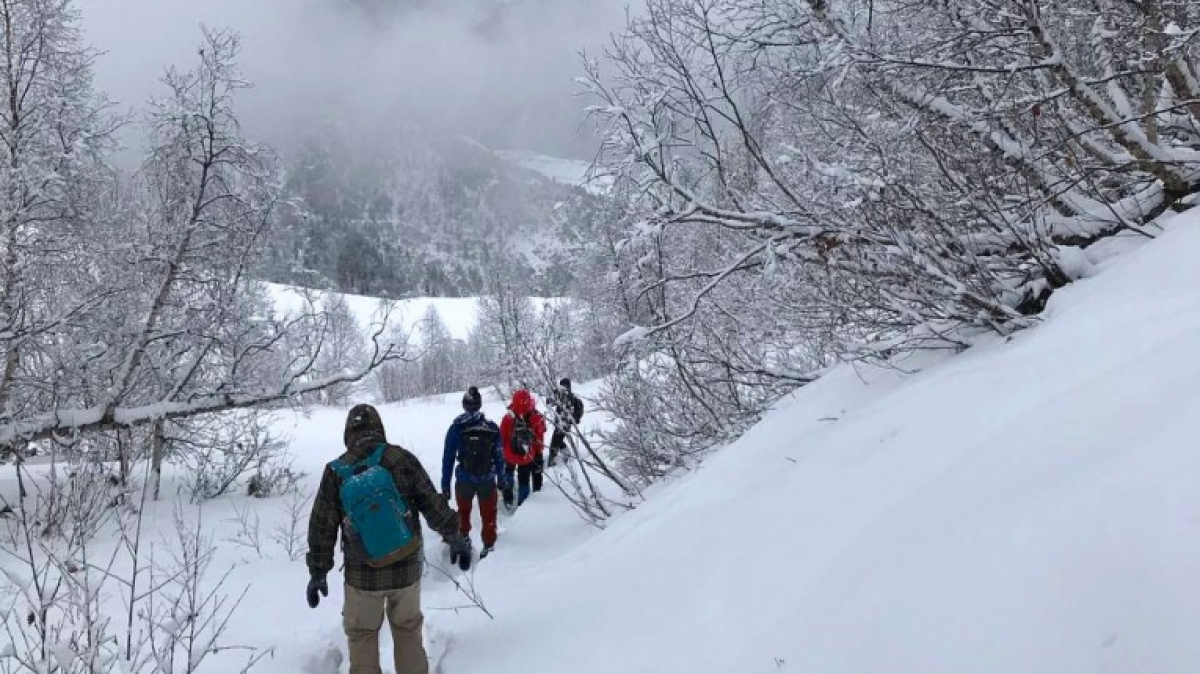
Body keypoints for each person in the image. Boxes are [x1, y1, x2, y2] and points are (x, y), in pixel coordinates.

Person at [307, 404, 471, 674]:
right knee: (408, 630)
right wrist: (455, 537)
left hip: (362, 574)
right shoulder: (401, 459)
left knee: (362, 634)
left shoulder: (336, 471)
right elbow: (432, 505)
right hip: (406, 567)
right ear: (379, 429)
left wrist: (318, 571)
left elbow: (322, 526)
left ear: (348, 433)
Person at [441, 386, 506, 556]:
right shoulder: (491, 427)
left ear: (464, 405)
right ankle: (489, 546)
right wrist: (502, 478)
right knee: (488, 515)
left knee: (463, 513)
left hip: (464, 480)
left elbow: (448, 458)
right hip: (487, 480)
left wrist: (445, 485)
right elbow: (499, 455)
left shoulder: (455, 428)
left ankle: (463, 542)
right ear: (480, 405)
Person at [499, 389, 547, 511]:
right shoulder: (536, 417)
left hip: (509, 453)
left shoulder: (507, 418)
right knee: (524, 480)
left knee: (508, 473)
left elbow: (502, 438)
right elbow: (539, 440)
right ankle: (523, 506)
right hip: (526, 455)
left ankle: (507, 499)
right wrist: (537, 453)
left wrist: (504, 452)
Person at [548, 377, 584, 467]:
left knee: (554, 442)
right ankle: (566, 454)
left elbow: (570, 410)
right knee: (558, 441)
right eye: (561, 386)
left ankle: (553, 461)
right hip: (559, 423)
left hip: (565, 424)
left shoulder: (570, 398)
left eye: (564, 386)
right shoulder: (560, 396)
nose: (563, 387)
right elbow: (549, 402)